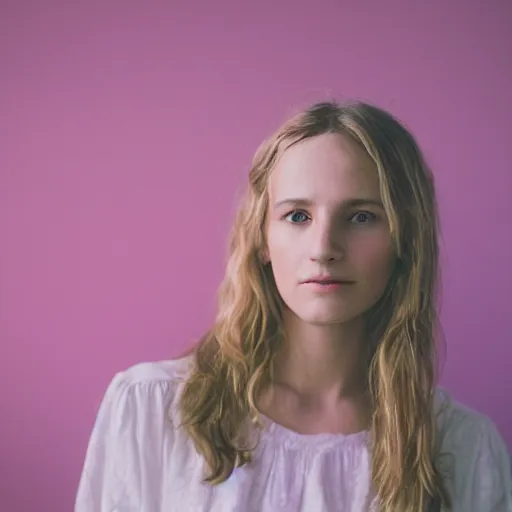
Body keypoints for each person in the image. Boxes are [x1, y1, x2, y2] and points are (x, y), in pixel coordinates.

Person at [75, 100, 512, 512]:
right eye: (297, 216)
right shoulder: (152, 410)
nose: (323, 248)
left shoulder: (463, 449)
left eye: (361, 216)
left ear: (405, 239)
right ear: (262, 238)